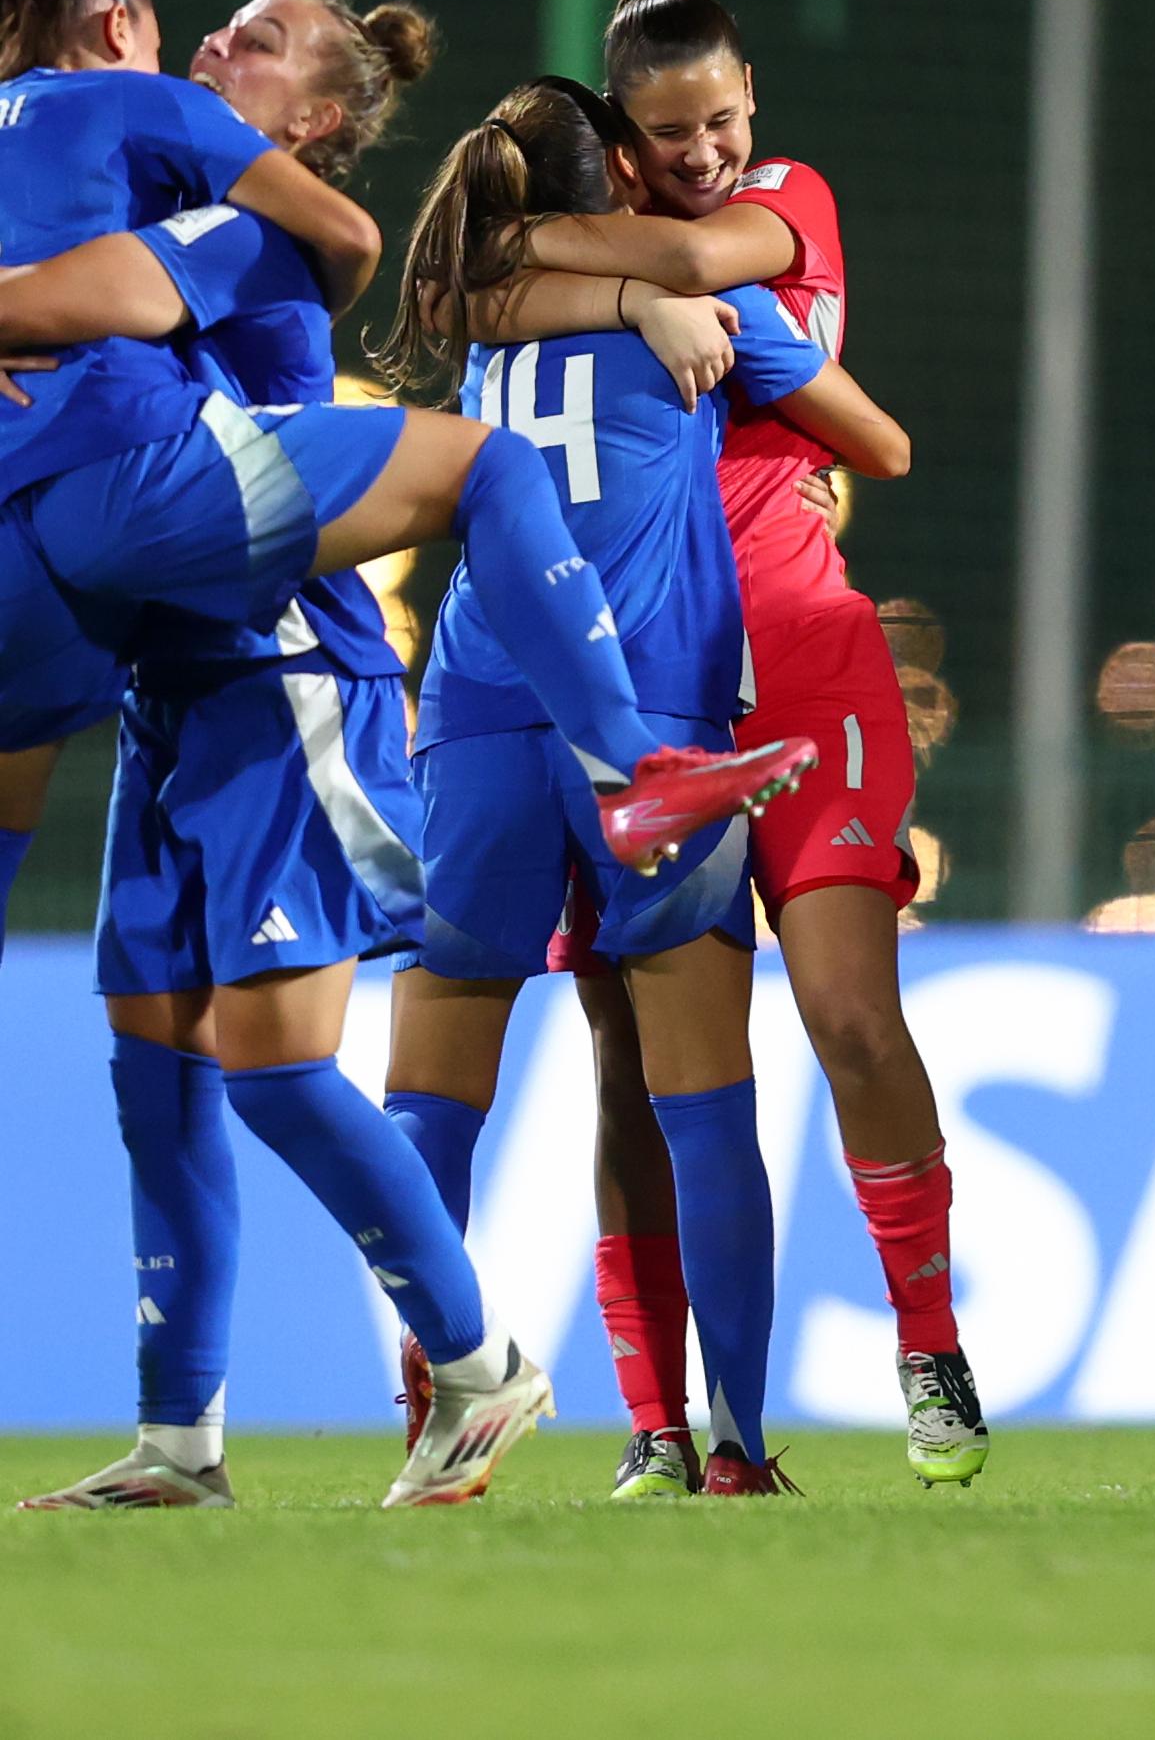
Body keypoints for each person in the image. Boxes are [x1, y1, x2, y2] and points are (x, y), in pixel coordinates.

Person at [0, 0, 803, 1505]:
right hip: (180, 674)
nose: (216, 48)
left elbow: (96, 296)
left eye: (256, 40)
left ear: (304, 123)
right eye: (213, 30)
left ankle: (480, 1364)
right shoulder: (161, 167)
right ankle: (180, 1444)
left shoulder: (248, 232)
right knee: (150, 1064)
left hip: (281, 672)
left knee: (281, 1069)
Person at [373, 76, 905, 1497]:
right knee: (701, 1096)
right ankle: (731, 1444)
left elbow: (453, 295)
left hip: (479, 713)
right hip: (651, 719)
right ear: (618, 164)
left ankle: (441, 1412)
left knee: (432, 1096)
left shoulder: (483, 319)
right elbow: (884, 445)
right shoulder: (715, 318)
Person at [555, 0, 986, 1490]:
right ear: (625, 133)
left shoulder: (781, 201)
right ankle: (663, 1426)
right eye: (670, 133)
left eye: (725, 118)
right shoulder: (596, 269)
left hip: (804, 664)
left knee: (852, 1019)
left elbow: (689, 257)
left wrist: (566, 263)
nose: (706, 151)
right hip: (642, 685)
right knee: (636, 1071)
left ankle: (927, 1342)